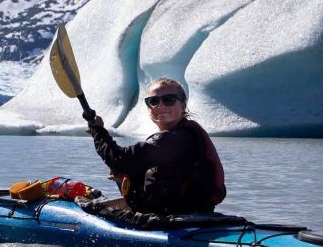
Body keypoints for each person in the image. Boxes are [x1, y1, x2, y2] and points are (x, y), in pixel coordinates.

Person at [85, 78, 225, 215]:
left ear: (183, 104)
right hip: (178, 210)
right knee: (126, 171)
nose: (160, 106)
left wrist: (98, 132)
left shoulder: (177, 138)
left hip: (175, 219)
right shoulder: (183, 133)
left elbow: (119, 159)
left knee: (120, 167)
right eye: (153, 101)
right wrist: (128, 177)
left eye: (168, 100)